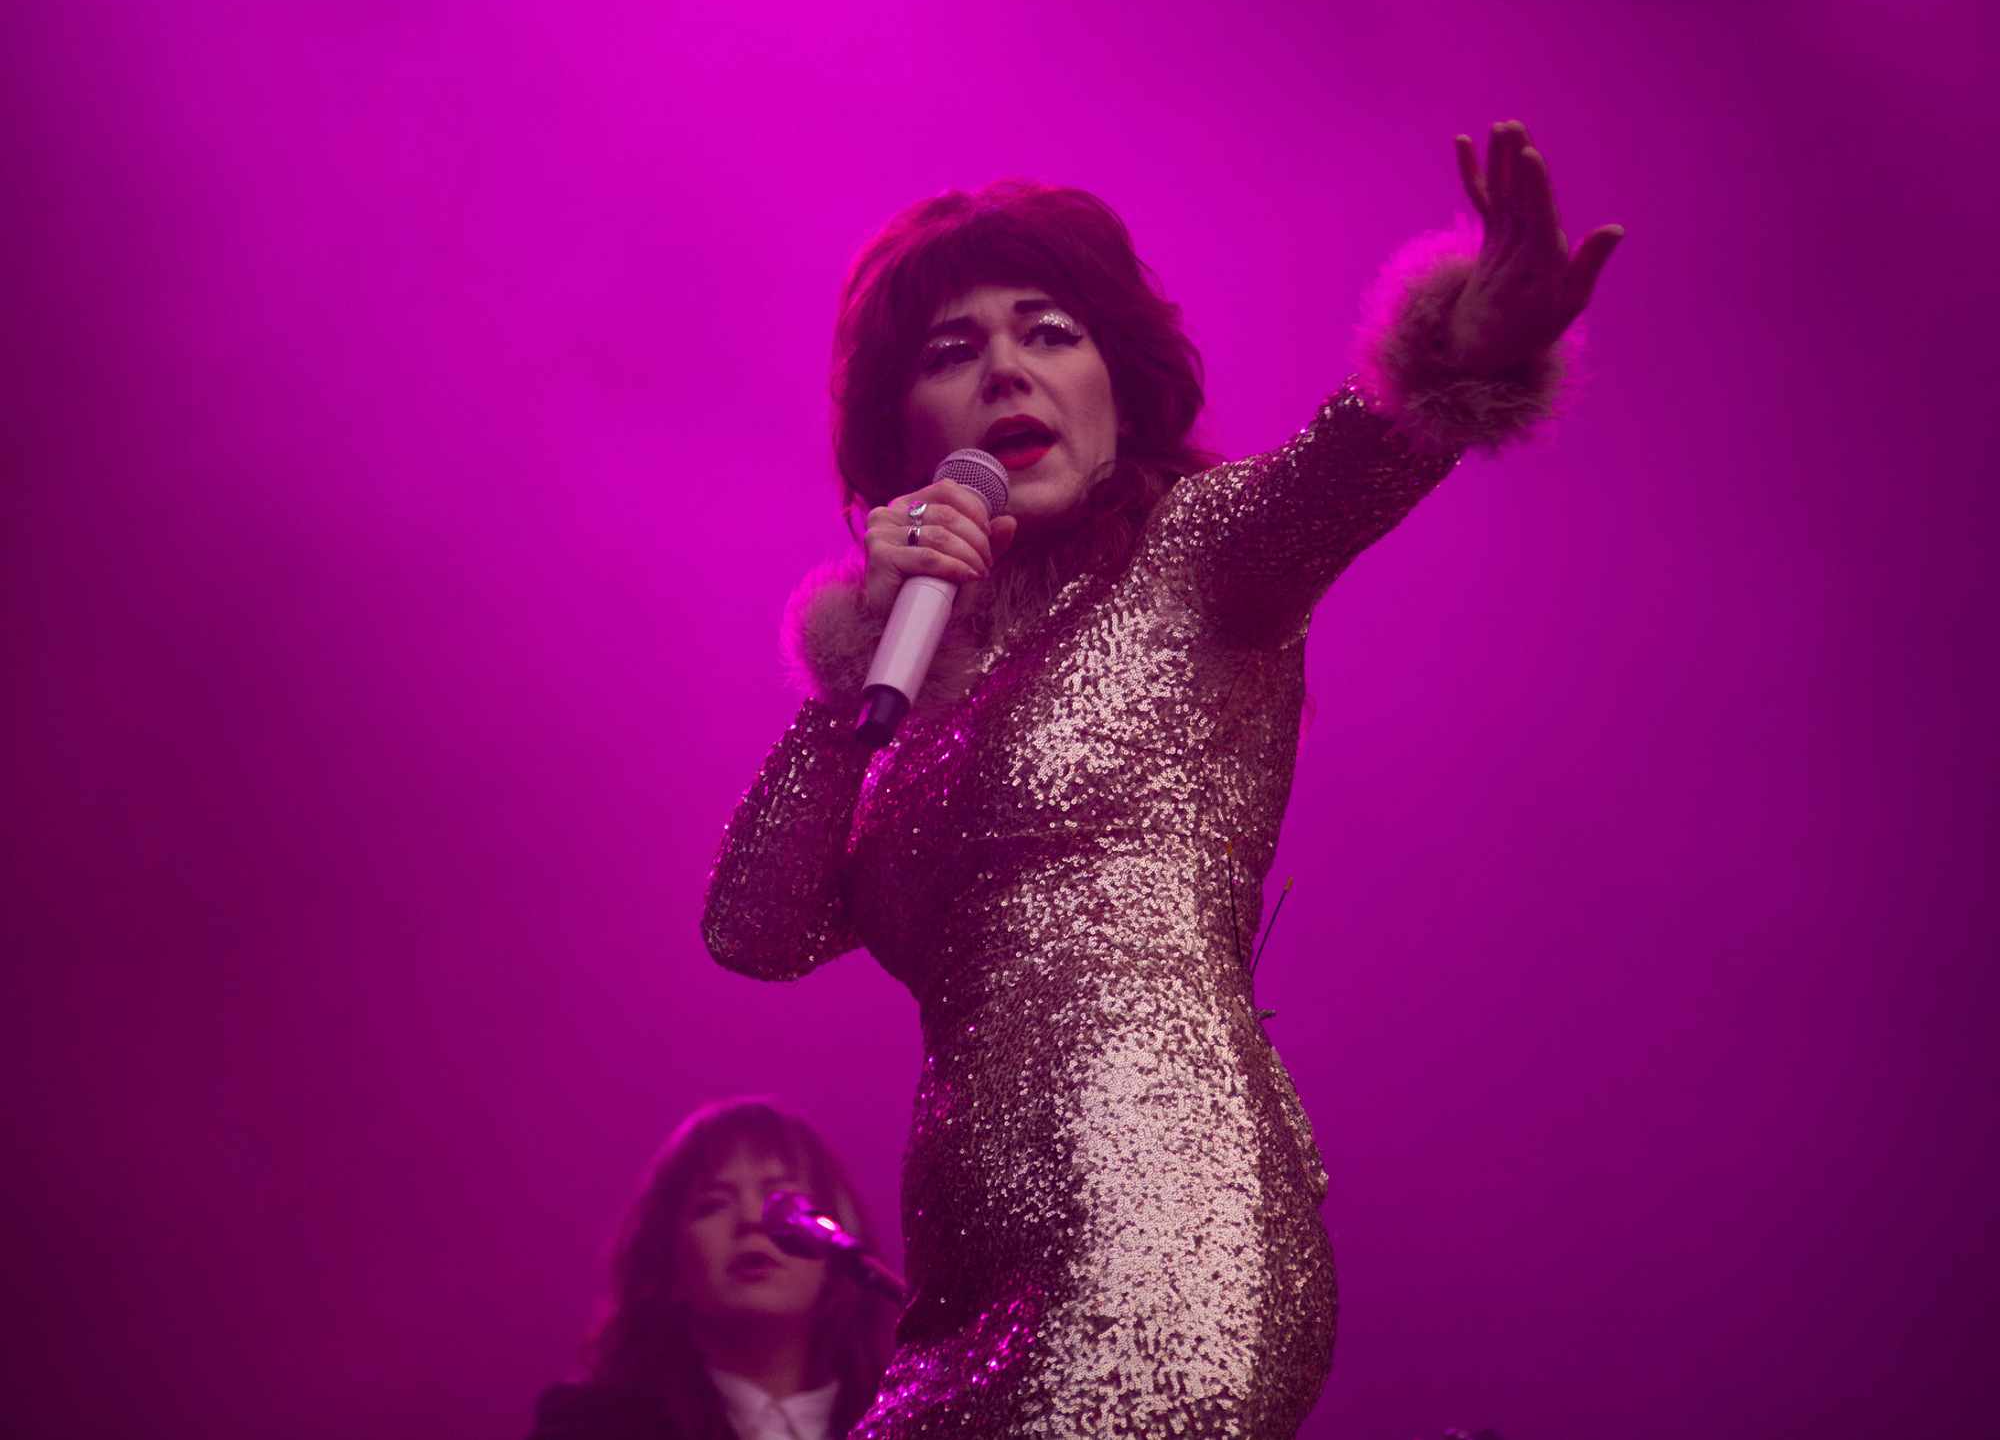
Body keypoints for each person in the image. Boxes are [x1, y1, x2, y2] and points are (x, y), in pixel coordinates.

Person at [702, 123, 1621, 1437]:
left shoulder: (1200, 557)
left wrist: (1469, 339)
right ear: (906, 430)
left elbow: (1357, 462)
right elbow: (755, 926)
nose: (1006, 368)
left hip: (1161, 1232)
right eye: (951, 355)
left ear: (1117, 383)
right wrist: (861, 640)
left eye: (1047, 331)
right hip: (962, 1296)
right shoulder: (916, 700)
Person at [528, 1098, 900, 1440]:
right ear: (666, 1262)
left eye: (782, 1201)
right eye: (712, 1205)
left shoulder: (905, 1418)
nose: (753, 1220)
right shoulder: (591, 1426)